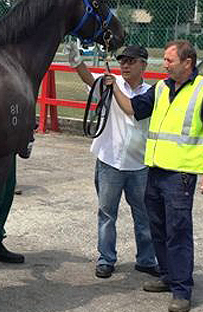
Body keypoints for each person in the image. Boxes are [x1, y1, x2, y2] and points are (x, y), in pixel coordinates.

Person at [106, 40, 203, 312]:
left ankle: (182, 289)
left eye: (170, 60)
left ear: (187, 63)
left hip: (180, 175)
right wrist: (112, 89)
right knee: (158, 227)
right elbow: (134, 109)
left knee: (178, 232)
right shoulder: (161, 88)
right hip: (155, 170)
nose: (164, 64)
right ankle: (168, 276)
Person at [68, 42, 159, 279]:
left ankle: (147, 260)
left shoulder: (151, 93)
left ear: (143, 65)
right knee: (107, 214)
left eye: (131, 61)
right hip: (110, 161)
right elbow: (89, 79)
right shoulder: (110, 83)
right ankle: (106, 258)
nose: (125, 65)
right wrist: (77, 61)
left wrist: (112, 85)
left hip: (139, 164)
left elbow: (131, 109)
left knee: (144, 215)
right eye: (122, 61)